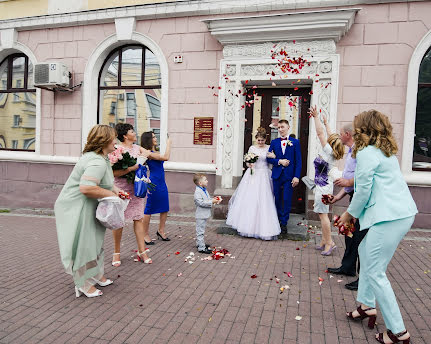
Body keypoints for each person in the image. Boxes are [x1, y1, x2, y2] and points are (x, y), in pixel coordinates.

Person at [337, 110, 417, 344]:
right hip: (397, 214)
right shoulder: (384, 150)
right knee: (364, 253)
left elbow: (363, 190)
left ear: (363, 129)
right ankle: (366, 306)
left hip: (390, 217)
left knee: (375, 271)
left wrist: (348, 215)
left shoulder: (367, 153)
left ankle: (398, 332)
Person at [55, 125, 118, 298]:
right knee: (84, 245)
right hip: (78, 207)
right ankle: (82, 283)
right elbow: (86, 187)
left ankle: (95, 274)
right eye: (113, 138)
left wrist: (115, 189)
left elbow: (104, 180)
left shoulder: (100, 157)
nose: (116, 142)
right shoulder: (97, 161)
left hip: (89, 205)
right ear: (104, 140)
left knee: (95, 242)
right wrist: (112, 195)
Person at [326, 123, 369, 290]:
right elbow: (349, 181)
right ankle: (348, 267)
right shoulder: (351, 152)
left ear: (347, 134)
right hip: (354, 196)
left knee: (360, 238)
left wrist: (348, 182)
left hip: (363, 199)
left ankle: (363, 279)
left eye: (341, 133)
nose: (339, 136)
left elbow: (364, 177)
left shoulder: (361, 152)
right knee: (349, 233)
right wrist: (337, 197)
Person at [227, 127, 281, 240]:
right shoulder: (252, 148)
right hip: (253, 174)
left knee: (264, 199)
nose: (260, 142)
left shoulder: (269, 147)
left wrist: (274, 156)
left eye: (262, 140)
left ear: (265, 139)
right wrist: (249, 164)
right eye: (259, 140)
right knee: (250, 198)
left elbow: (272, 160)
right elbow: (247, 161)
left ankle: (264, 227)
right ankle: (247, 226)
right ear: (256, 139)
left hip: (265, 175)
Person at [110, 123, 152, 267]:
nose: (134, 133)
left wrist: (143, 158)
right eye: (132, 131)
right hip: (121, 189)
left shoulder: (136, 148)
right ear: (125, 135)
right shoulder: (116, 150)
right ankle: (116, 253)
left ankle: (142, 251)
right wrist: (131, 168)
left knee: (138, 219)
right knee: (118, 221)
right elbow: (113, 173)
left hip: (137, 189)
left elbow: (148, 153)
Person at [308, 106, 344, 255]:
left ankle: (330, 243)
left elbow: (320, 133)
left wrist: (316, 117)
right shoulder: (333, 150)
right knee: (322, 214)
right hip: (322, 185)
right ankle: (324, 240)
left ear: (331, 143)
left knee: (323, 216)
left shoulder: (328, 150)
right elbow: (329, 134)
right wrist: (326, 121)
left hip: (323, 188)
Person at [266, 120, 302, 233]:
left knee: (286, 199)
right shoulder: (274, 142)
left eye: (282, 127)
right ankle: (276, 220)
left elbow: (298, 161)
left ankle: (284, 222)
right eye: (279, 127)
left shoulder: (295, 142)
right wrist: (279, 161)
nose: (280, 129)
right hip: (277, 175)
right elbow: (268, 158)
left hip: (289, 176)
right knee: (277, 198)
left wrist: (296, 176)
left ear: (288, 127)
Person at [141, 131, 171, 243]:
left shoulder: (154, 152)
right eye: (153, 137)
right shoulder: (148, 153)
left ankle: (161, 231)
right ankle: (144, 234)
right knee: (149, 208)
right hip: (153, 183)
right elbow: (166, 157)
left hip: (162, 182)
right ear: (148, 139)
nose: (155, 138)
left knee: (165, 207)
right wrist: (169, 143)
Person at [193, 173, 222, 253]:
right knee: (200, 231)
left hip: (204, 214)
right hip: (200, 215)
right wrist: (211, 201)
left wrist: (214, 199)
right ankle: (201, 248)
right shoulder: (197, 192)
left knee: (201, 230)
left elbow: (207, 199)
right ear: (200, 183)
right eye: (205, 180)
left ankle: (199, 243)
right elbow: (201, 203)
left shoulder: (204, 189)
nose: (207, 181)